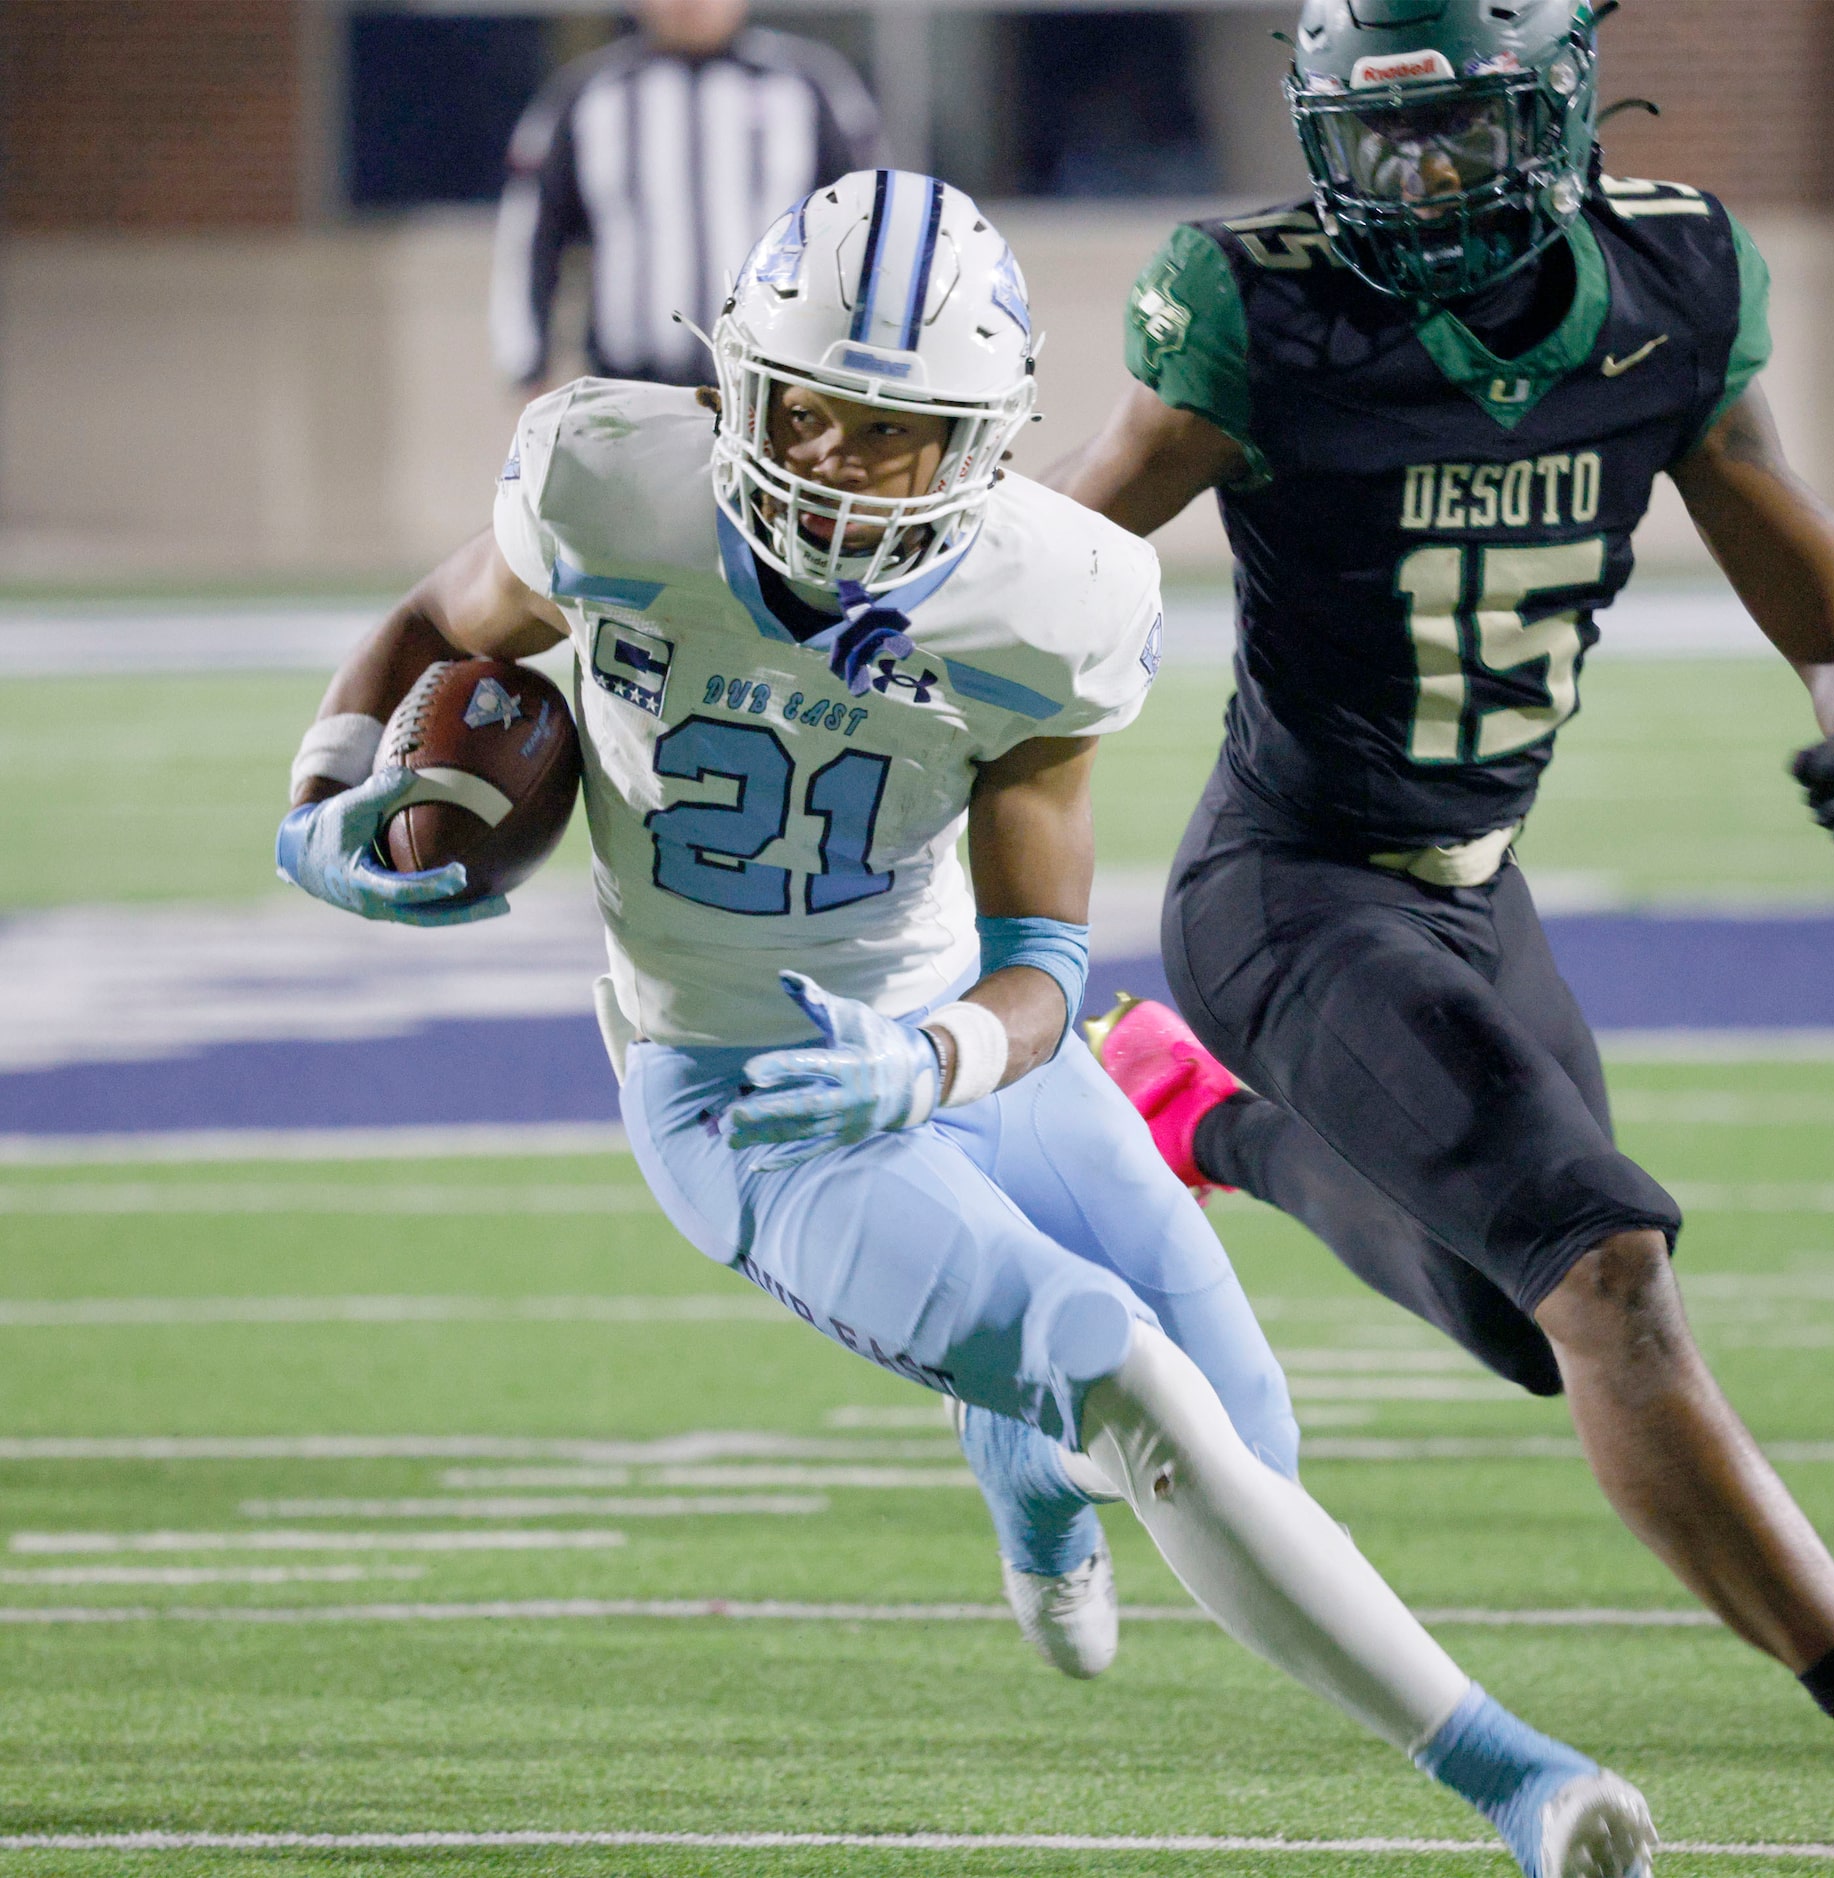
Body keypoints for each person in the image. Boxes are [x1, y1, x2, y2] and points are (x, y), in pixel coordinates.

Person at [276, 168, 1662, 1878]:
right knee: (1120, 1370)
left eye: (899, 433)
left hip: (960, 1042)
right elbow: (434, 623)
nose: (845, 469)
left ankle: (1020, 1474)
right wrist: (331, 790)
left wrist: (934, 1057)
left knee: (1248, 1426)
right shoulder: (608, 489)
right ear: (732, 390)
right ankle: (1512, 1776)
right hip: (747, 1093)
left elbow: (1040, 964)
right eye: (812, 415)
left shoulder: (1049, 599)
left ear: (991, 440)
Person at [1046, 0, 1834, 1861]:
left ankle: (1190, 1111)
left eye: (1455, 127)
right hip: (1284, 886)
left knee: (1533, 1324)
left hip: (1473, 887)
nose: (1417, 177)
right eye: (1374, 139)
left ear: (1552, 111)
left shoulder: (1664, 287)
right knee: (1605, 1267)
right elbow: (1044, 566)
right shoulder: (1259, 305)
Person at [492, 0, 882, 390]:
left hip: (783, 380)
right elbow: (534, 232)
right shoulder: (590, 93)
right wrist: (528, 360)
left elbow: (871, 222)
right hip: (631, 383)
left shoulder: (809, 85)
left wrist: (874, 349)